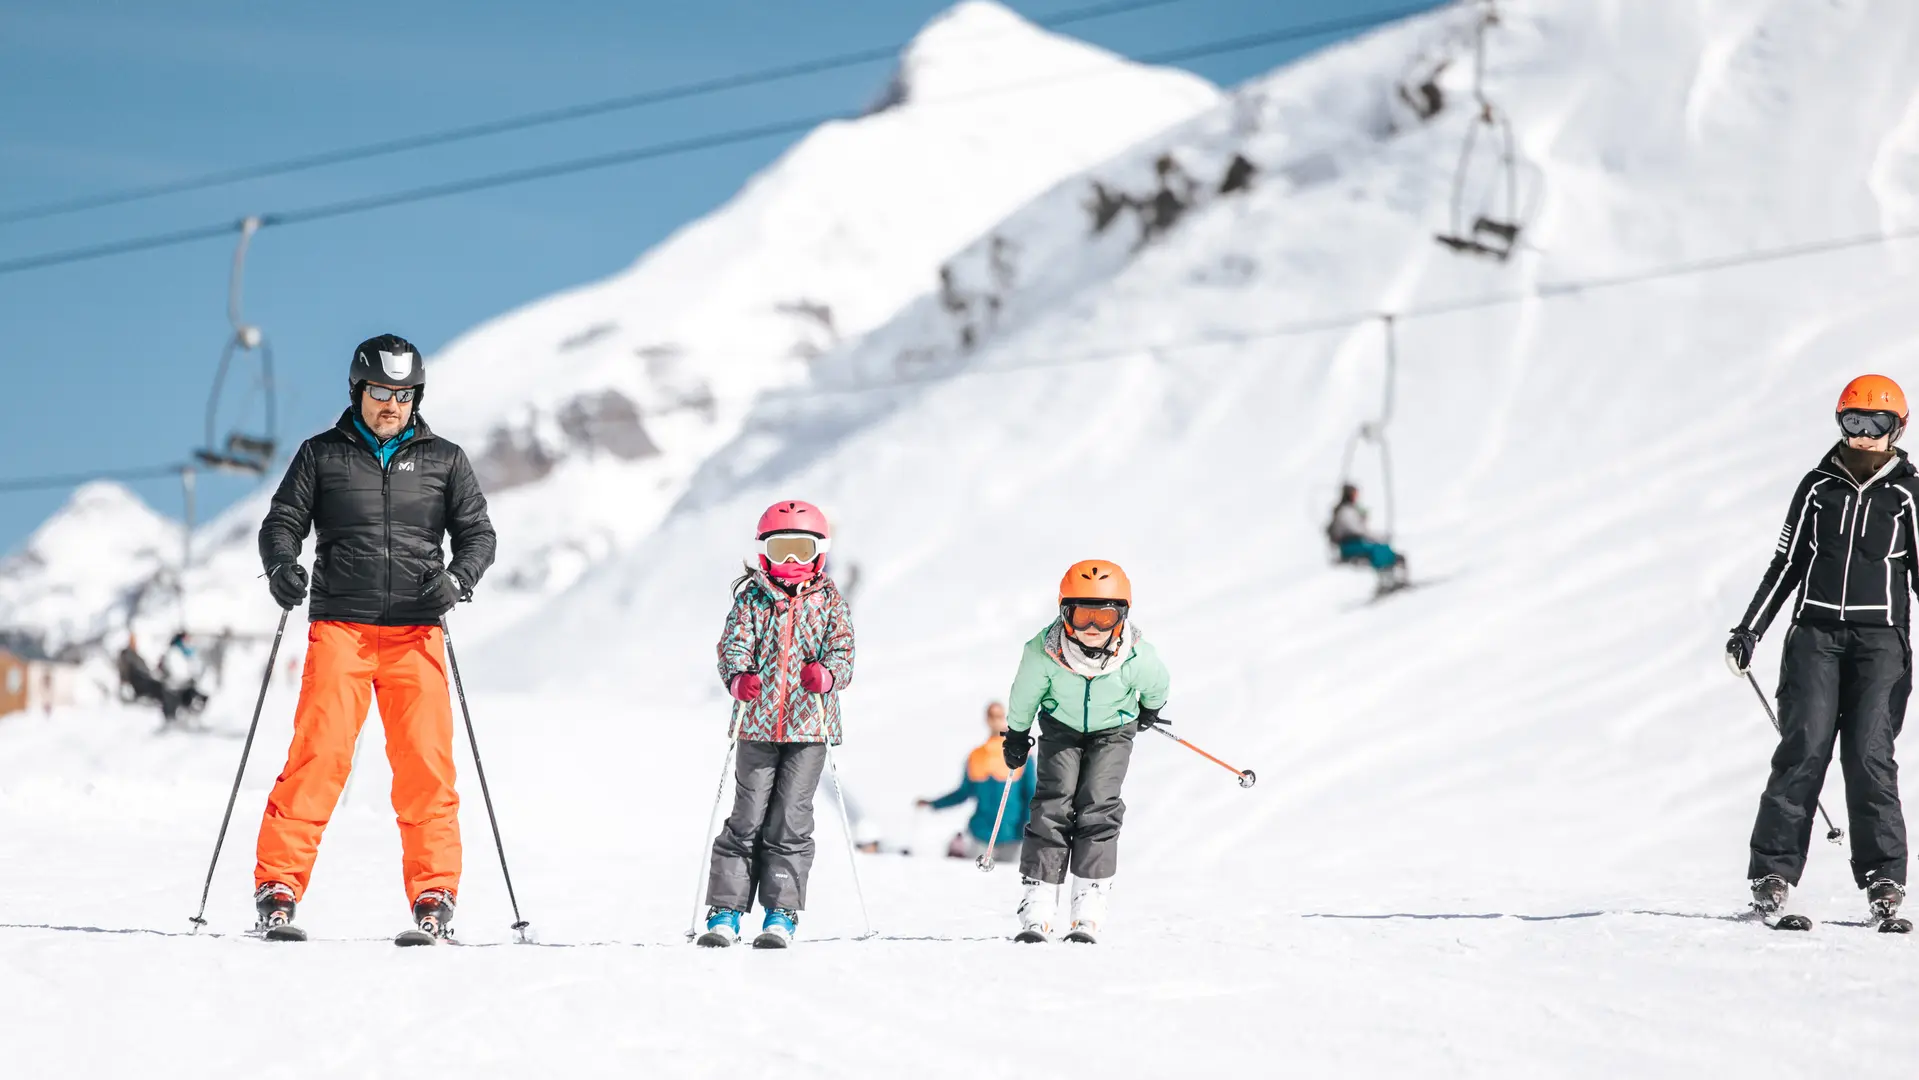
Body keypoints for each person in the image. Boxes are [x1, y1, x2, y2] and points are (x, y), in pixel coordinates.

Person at [250, 333, 496, 942]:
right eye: (382, 392)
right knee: (319, 757)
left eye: (404, 394)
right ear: (358, 391)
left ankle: (434, 895)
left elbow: (478, 535)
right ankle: (278, 887)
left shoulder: (445, 459)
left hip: (416, 632)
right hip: (341, 629)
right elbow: (283, 521)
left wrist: (457, 580)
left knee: (426, 767)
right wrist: (282, 565)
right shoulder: (321, 455)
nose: (393, 404)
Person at [1728, 374, 1919, 928]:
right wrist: (1750, 629)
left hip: (1881, 643)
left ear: (1897, 428)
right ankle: (1772, 875)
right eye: (1852, 422)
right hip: (1813, 636)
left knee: (1869, 755)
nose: (1862, 434)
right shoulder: (1817, 488)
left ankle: (1885, 880)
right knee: (1803, 747)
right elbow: (1786, 564)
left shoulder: (1909, 495)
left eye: (1875, 424)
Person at [700, 500, 856, 949]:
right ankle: (726, 910)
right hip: (758, 726)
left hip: (809, 729)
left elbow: (844, 655)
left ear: (819, 553)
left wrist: (827, 674)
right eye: (781, 548)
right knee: (746, 816)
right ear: (764, 551)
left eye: (800, 550)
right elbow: (732, 647)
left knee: (791, 818)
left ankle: (780, 912)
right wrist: (738, 678)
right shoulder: (751, 599)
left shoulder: (830, 602)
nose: (791, 561)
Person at [1002, 560, 1170, 944]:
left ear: (1122, 616)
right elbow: (1025, 694)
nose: (1092, 629)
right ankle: (1039, 901)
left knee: (1099, 802)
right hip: (1061, 729)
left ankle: (1090, 901)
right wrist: (1016, 733)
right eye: (1082, 617)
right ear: (1065, 613)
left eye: (1103, 617)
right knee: (1053, 803)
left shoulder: (1136, 656)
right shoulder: (1043, 652)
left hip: (1113, 731)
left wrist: (1149, 711)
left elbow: (1157, 685)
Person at [917, 702, 1035, 865]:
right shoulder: (976, 756)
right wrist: (933, 804)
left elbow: (1031, 794)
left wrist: (1029, 826)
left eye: (999, 716)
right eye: (991, 716)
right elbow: (963, 793)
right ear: (986, 719)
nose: (995, 720)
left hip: (1013, 835)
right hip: (980, 834)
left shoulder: (1022, 754)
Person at [1327, 483, 1408, 591]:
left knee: (1382, 547)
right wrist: (1378, 536)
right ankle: (1386, 579)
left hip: (1356, 543)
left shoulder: (1350, 510)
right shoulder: (1346, 512)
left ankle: (1391, 577)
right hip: (1350, 545)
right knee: (1378, 549)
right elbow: (1358, 530)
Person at [158, 631, 209, 721]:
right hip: (173, 688)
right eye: (186, 639)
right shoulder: (173, 652)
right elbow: (176, 672)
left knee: (201, 698)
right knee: (172, 716)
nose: (188, 641)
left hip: (183, 686)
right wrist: (187, 679)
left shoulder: (186, 652)